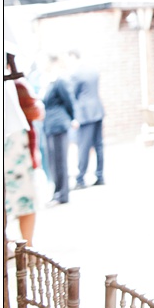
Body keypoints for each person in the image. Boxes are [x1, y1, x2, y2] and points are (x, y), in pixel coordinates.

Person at [4, 53, 42, 244]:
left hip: (13, 146)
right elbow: (37, 112)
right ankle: (27, 245)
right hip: (15, 147)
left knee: (13, 201)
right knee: (24, 199)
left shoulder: (12, 84)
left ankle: (18, 245)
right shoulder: (15, 84)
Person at [40, 55, 76, 205]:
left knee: (60, 160)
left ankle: (62, 194)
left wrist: (73, 118)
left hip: (59, 124)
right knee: (53, 161)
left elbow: (69, 101)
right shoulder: (48, 82)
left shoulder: (60, 80)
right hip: (49, 126)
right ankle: (57, 192)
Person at [68, 51, 105, 189]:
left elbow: (73, 95)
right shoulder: (93, 71)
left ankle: (80, 179)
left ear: (73, 57)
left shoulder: (76, 74)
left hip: (85, 114)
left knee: (83, 146)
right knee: (99, 145)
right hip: (98, 110)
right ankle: (100, 175)